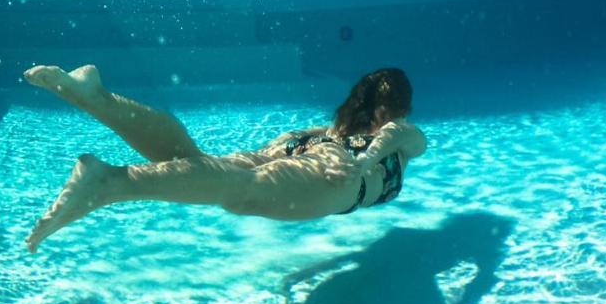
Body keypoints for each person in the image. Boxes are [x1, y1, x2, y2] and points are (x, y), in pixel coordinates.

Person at [23, 65, 426, 252]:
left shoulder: (339, 127)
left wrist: (299, 145)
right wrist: (363, 161)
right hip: (339, 175)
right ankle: (111, 184)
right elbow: (396, 134)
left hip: (303, 147)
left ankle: (97, 98)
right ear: (400, 106)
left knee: (199, 164)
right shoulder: (403, 137)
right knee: (239, 193)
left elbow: (335, 137)